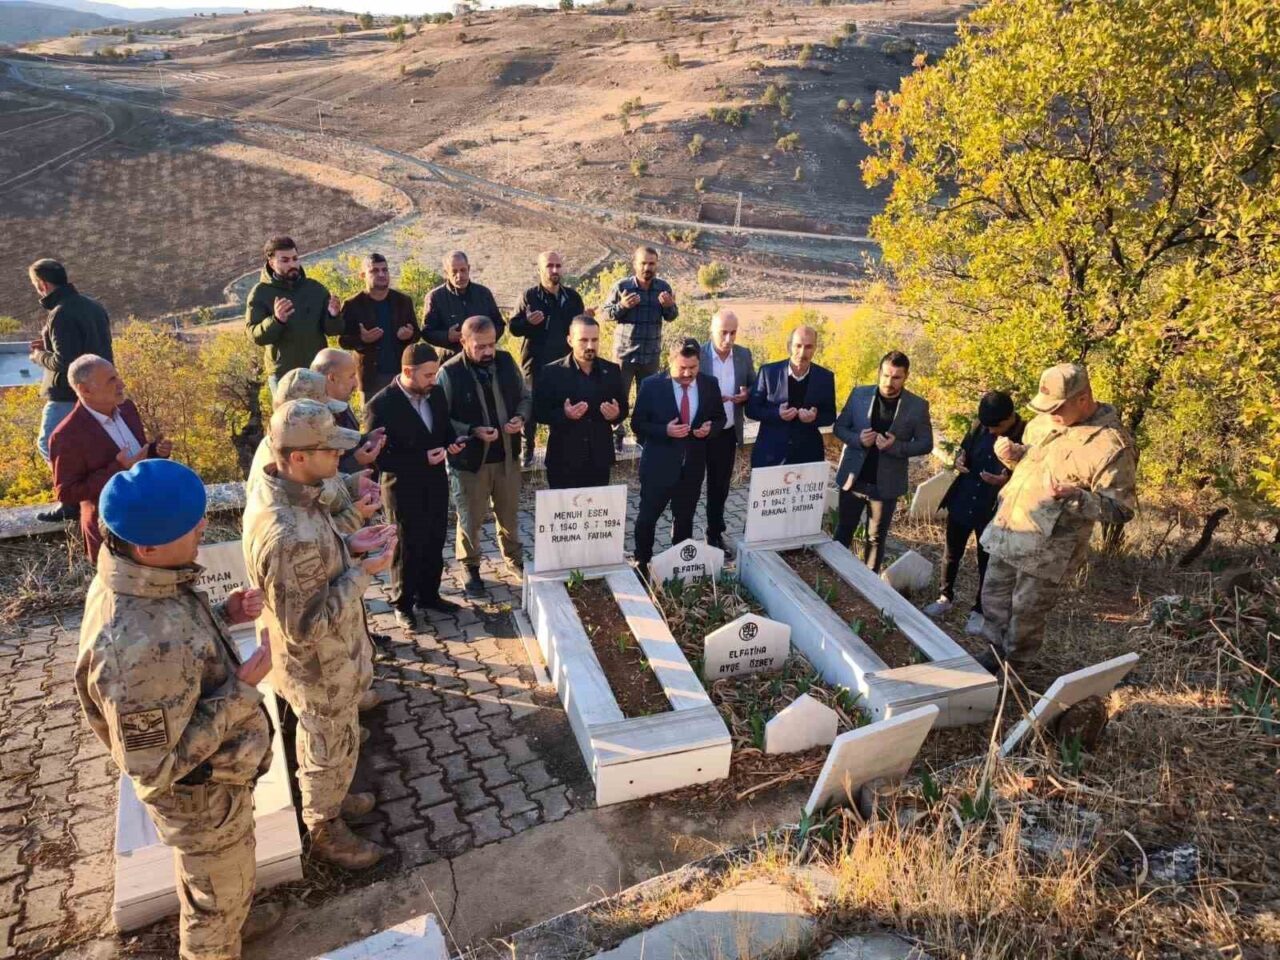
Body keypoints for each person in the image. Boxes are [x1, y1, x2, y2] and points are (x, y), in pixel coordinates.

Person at [77, 459, 281, 959]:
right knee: (212, 902)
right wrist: (240, 690)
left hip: (219, 785)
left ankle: (233, 913)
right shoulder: (130, 647)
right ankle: (216, 940)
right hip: (202, 800)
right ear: (147, 546)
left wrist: (223, 614)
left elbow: (179, 649)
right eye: (191, 526)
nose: (202, 528)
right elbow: (155, 767)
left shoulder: (146, 575)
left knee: (221, 882)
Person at [242, 400, 398, 869]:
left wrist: (348, 546)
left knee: (336, 741)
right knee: (325, 745)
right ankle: (325, 828)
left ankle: (334, 795)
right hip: (319, 668)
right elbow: (305, 627)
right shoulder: (287, 533)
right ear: (297, 457)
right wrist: (364, 572)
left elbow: (313, 568)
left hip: (331, 661)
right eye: (329, 450)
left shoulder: (296, 495)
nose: (339, 456)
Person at [977, 364, 1137, 674]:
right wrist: (1015, 456)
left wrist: (1075, 496)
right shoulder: (1042, 424)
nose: (1049, 414)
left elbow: (1120, 509)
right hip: (1010, 530)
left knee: (1026, 614)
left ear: (1082, 399)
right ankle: (993, 656)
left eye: (1056, 408)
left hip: (1047, 550)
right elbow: (1035, 465)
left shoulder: (1111, 446)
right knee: (993, 599)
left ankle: (1015, 673)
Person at [364, 343, 469, 630]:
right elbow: (378, 458)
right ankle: (403, 603)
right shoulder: (380, 405)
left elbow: (444, 430)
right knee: (407, 545)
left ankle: (429, 596)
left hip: (435, 481)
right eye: (428, 375)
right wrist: (420, 458)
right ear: (408, 372)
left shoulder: (436, 394)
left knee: (435, 538)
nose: (434, 380)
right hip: (401, 487)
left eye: (435, 374)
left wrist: (453, 443)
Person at [438, 317, 530, 598]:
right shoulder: (449, 373)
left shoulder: (506, 362)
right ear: (463, 342)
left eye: (492, 344)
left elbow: (526, 397)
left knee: (509, 514)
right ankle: (470, 567)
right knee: (470, 518)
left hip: (507, 458)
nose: (488, 351)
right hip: (470, 463)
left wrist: (520, 417)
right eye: (480, 346)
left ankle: (514, 559)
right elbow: (440, 418)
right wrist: (472, 431)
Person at [50, 356, 172, 564]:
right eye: (111, 380)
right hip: (112, 536)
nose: (121, 384)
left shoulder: (128, 409)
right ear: (85, 390)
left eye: (117, 376)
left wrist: (156, 451)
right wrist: (118, 469)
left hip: (150, 520)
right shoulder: (66, 435)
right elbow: (67, 492)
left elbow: (138, 457)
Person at [923, 391, 1026, 636]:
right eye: (987, 426)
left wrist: (1005, 481)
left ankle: (979, 610)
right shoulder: (980, 425)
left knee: (986, 561)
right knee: (951, 552)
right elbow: (965, 450)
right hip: (964, 496)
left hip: (992, 507)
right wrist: (960, 460)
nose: (990, 431)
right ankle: (945, 596)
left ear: (1009, 417)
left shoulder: (1026, 434)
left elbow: (1028, 476)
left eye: (996, 427)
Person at [27, 258, 113, 522]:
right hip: (98, 389)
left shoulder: (61, 312)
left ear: (42, 284)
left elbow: (65, 363)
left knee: (49, 443)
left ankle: (71, 500)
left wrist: (39, 356)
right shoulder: (93, 306)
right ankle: (93, 495)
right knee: (90, 447)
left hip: (67, 392)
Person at [630, 339, 727, 572]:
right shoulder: (652, 385)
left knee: (684, 519)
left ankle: (679, 565)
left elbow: (720, 418)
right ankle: (642, 561)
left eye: (693, 368)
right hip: (658, 466)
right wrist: (665, 430)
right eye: (682, 368)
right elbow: (637, 424)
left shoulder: (709, 384)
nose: (687, 374)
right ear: (670, 361)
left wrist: (710, 429)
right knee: (647, 518)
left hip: (692, 467)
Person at [832, 351, 934, 572]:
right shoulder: (859, 394)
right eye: (886, 375)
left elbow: (926, 444)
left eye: (896, 377)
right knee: (843, 530)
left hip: (886, 485)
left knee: (876, 538)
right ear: (879, 372)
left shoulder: (917, 406)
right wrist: (858, 439)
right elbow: (839, 428)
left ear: (906, 376)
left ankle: (870, 584)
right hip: (854, 479)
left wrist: (895, 447)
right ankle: (833, 575)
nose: (889, 382)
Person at [508, 250, 589, 468]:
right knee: (531, 408)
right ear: (540, 270)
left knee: (562, 407)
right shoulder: (529, 297)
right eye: (549, 266)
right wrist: (527, 323)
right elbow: (513, 328)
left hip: (565, 365)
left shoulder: (572, 297)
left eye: (558, 266)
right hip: (535, 364)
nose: (554, 270)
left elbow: (580, 328)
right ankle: (528, 451)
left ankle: (562, 450)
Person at [534, 315, 626, 490]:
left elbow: (623, 408)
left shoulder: (612, 371)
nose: (590, 345)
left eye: (594, 340)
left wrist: (616, 414)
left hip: (599, 459)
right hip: (563, 459)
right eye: (583, 340)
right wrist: (564, 414)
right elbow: (539, 412)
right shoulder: (552, 372)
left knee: (596, 506)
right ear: (570, 340)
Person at [602, 246, 679, 451]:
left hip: (651, 355)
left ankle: (642, 436)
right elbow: (605, 314)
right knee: (619, 397)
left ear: (656, 265)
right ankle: (617, 435)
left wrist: (669, 306)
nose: (647, 267)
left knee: (647, 399)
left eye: (651, 263)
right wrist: (622, 306)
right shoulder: (622, 286)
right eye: (643, 263)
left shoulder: (663, 288)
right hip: (624, 355)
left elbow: (672, 316)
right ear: (635, 264)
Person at [244, 236, 343, 393]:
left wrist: (334, 315)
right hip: (284, 375)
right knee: (288, 410)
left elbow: (333, 330)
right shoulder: (261, 293)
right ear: (271, 263)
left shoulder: (315, 289)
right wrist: (277, 320)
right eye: (285, 260)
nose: (292, 264)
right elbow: (254, 335)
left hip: (317, 371)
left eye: (295, 259)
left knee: (321, 410)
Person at [699, 310, 754, 552]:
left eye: (733, 333)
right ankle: (680, 537)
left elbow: (754, 384)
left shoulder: (743, 355)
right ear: (711, 330)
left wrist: (747, 394)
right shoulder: (698, 354)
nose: (729, 339)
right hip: (698, 433)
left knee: (719, 487)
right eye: (723, 333)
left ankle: (714, 534)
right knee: (688, 487)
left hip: (727, 432)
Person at [746, 325, 836, 468]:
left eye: (808, 347)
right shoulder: (768, 372)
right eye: (798, 346)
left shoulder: (825, 377)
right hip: (770, 455)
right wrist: (777, 413)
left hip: (809, 455)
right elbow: (751, 410)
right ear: (789, 346)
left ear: (815, 348)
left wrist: (814, 418)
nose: (802, 352)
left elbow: (830, 416)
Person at [337, 253, 420, 401]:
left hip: (402, 375)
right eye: (375, 270)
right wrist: (362, 339)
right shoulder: (352, 305)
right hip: (371, 379)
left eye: (384, 270)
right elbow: (343, 341)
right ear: (362, 275)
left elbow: (417, 334)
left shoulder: (403, 301)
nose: (381, 274)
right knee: (372, 416)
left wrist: (408, 336)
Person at [311, 348, 387, 475]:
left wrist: (366, 439)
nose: (356, 383)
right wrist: (356, 461)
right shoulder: (311, 417)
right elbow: (315, 473)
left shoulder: (341, 403)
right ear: (332, 378)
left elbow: (345, 444)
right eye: (351, 376)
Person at [422, 251, 505, 361]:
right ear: (446, 273)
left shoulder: (483, 293)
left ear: (468, 268)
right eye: (454, 272)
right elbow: (427, 332)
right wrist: (447, 336)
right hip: (450, 360)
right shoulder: (435, 297)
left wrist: (485, 339)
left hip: (483, 359)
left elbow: (499, 324)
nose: (459, 276)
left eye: (463, 270)